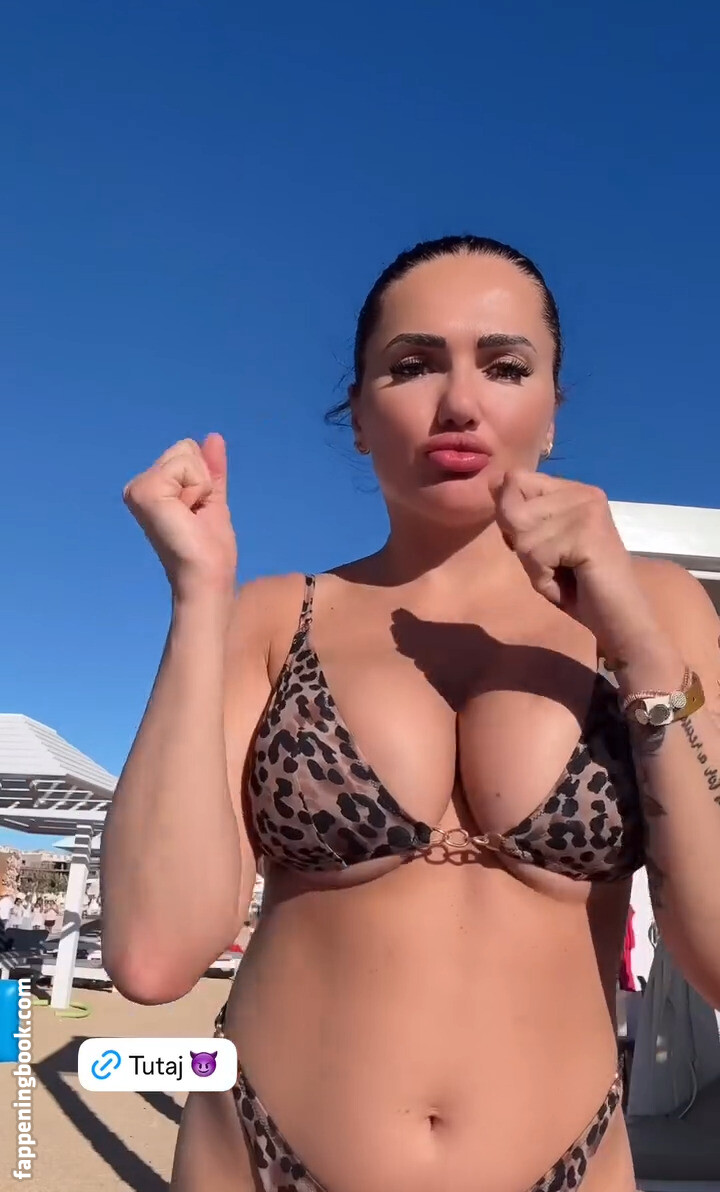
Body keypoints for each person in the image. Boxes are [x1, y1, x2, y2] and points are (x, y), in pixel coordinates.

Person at [101, 236, 720, 1192]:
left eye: (505, 366)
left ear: (553, 410)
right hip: (257, 1158)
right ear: (358, 416)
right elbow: (151, 957)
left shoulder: (659, 609)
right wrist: (198, 597)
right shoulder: (272, 617)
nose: (460, 402)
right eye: (413, 363)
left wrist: (637, 648)